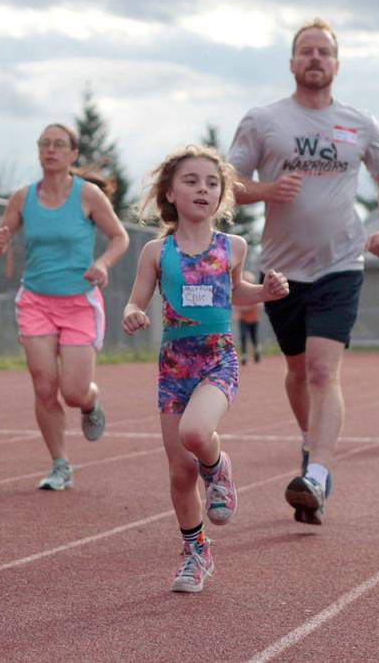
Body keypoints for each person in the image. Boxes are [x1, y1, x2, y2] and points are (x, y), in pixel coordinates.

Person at [228, 17, 379, 525]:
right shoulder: (264, 120)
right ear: (292, 62)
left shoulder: (359, 123)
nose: (315, 58)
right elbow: (227, 183)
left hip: (340, 263)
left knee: (325, 371)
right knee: (298, 371)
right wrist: (267, 190)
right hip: (281, 269)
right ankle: (311, 441)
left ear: (337, 64)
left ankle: (318, 475)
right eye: (306, 50)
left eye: (324, 51)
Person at [122, 145, 289, 593]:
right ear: (170, 193)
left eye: (212, 183)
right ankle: (196, 553)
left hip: (218, 358)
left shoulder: (232, 246)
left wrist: (266, 292)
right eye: (191, 181)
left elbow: (238, 291)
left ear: (222, 195)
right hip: (174, 365)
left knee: (195, 434)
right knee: (180, 471)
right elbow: (136, 299)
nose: (203, 189)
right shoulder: (156, 251)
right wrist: (132, 313)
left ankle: (218, 468)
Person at [0, 124, 129, 491]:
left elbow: (120, 237)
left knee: (73, 392)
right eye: (45, 144)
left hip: (79, 301)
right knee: (44, 386)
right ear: (39, 151)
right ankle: (60, 464)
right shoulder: (23, 198)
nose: (50, 149)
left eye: (59, 144)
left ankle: (90, 402)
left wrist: (102, 264)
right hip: (35, 301)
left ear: (72, 154)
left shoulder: (88, 195)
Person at [235, 270, 262, 365]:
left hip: (254, 319)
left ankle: (257, 351)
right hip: (243, 319)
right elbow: (237, 305)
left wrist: (246, 308)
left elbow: (258, 305)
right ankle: (244, 355)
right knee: (243, 336)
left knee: (254, 337)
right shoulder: (240, 294)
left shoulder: (255, 292)